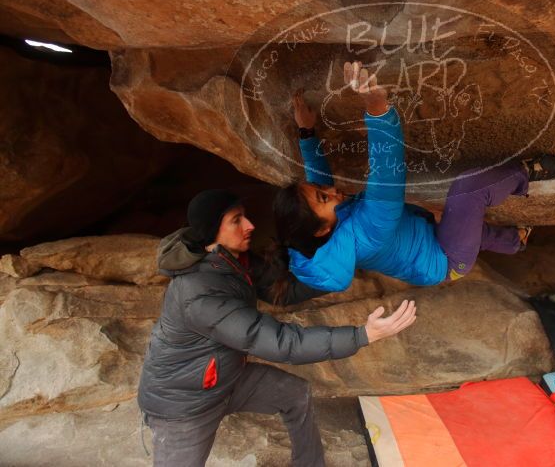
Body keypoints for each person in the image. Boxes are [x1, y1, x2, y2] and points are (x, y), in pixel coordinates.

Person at [138, 189, 417, 467]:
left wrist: (340, 267)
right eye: (237, 220)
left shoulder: (231, 262)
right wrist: (362, 335)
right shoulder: (198, 294)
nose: (250, 225)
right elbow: (280, 342)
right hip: (183, 405)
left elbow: (281, 290)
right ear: (213, 231)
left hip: (227, 379)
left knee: (295, 394)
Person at [273, 61, 555, 292]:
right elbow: (386, 174)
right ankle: (526, 173)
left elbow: (316, 179)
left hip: (424, 234)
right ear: (322, 229)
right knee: (468, 192)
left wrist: (306, 132)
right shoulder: (367, 233)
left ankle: (516, 241)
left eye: (322, 189)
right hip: (445, 260)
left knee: (466, 227)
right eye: (325, 198)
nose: (334, 191)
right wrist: (377, 110)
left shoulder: (321, 234)